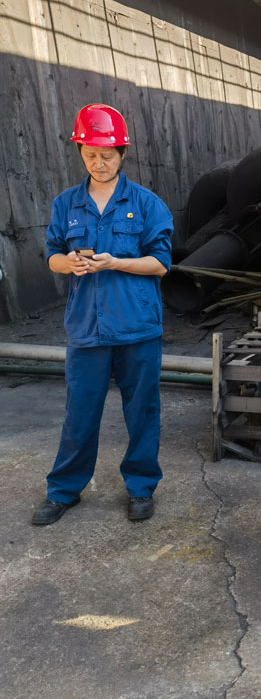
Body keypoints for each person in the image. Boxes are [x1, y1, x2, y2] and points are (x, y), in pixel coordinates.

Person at [31, 104, 173, 525]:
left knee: (142, 409)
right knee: (80, 412)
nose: (99, 162)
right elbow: (52, 255)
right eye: (91, 153)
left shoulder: (146, 204)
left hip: (137, 326)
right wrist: (69, 263)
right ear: (80, 151)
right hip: (87, 327)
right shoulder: (66, 204)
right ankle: (64, 490)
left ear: (123, 152)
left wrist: (114, 262)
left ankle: (141, 487)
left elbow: (161, 263)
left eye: (107, 154)